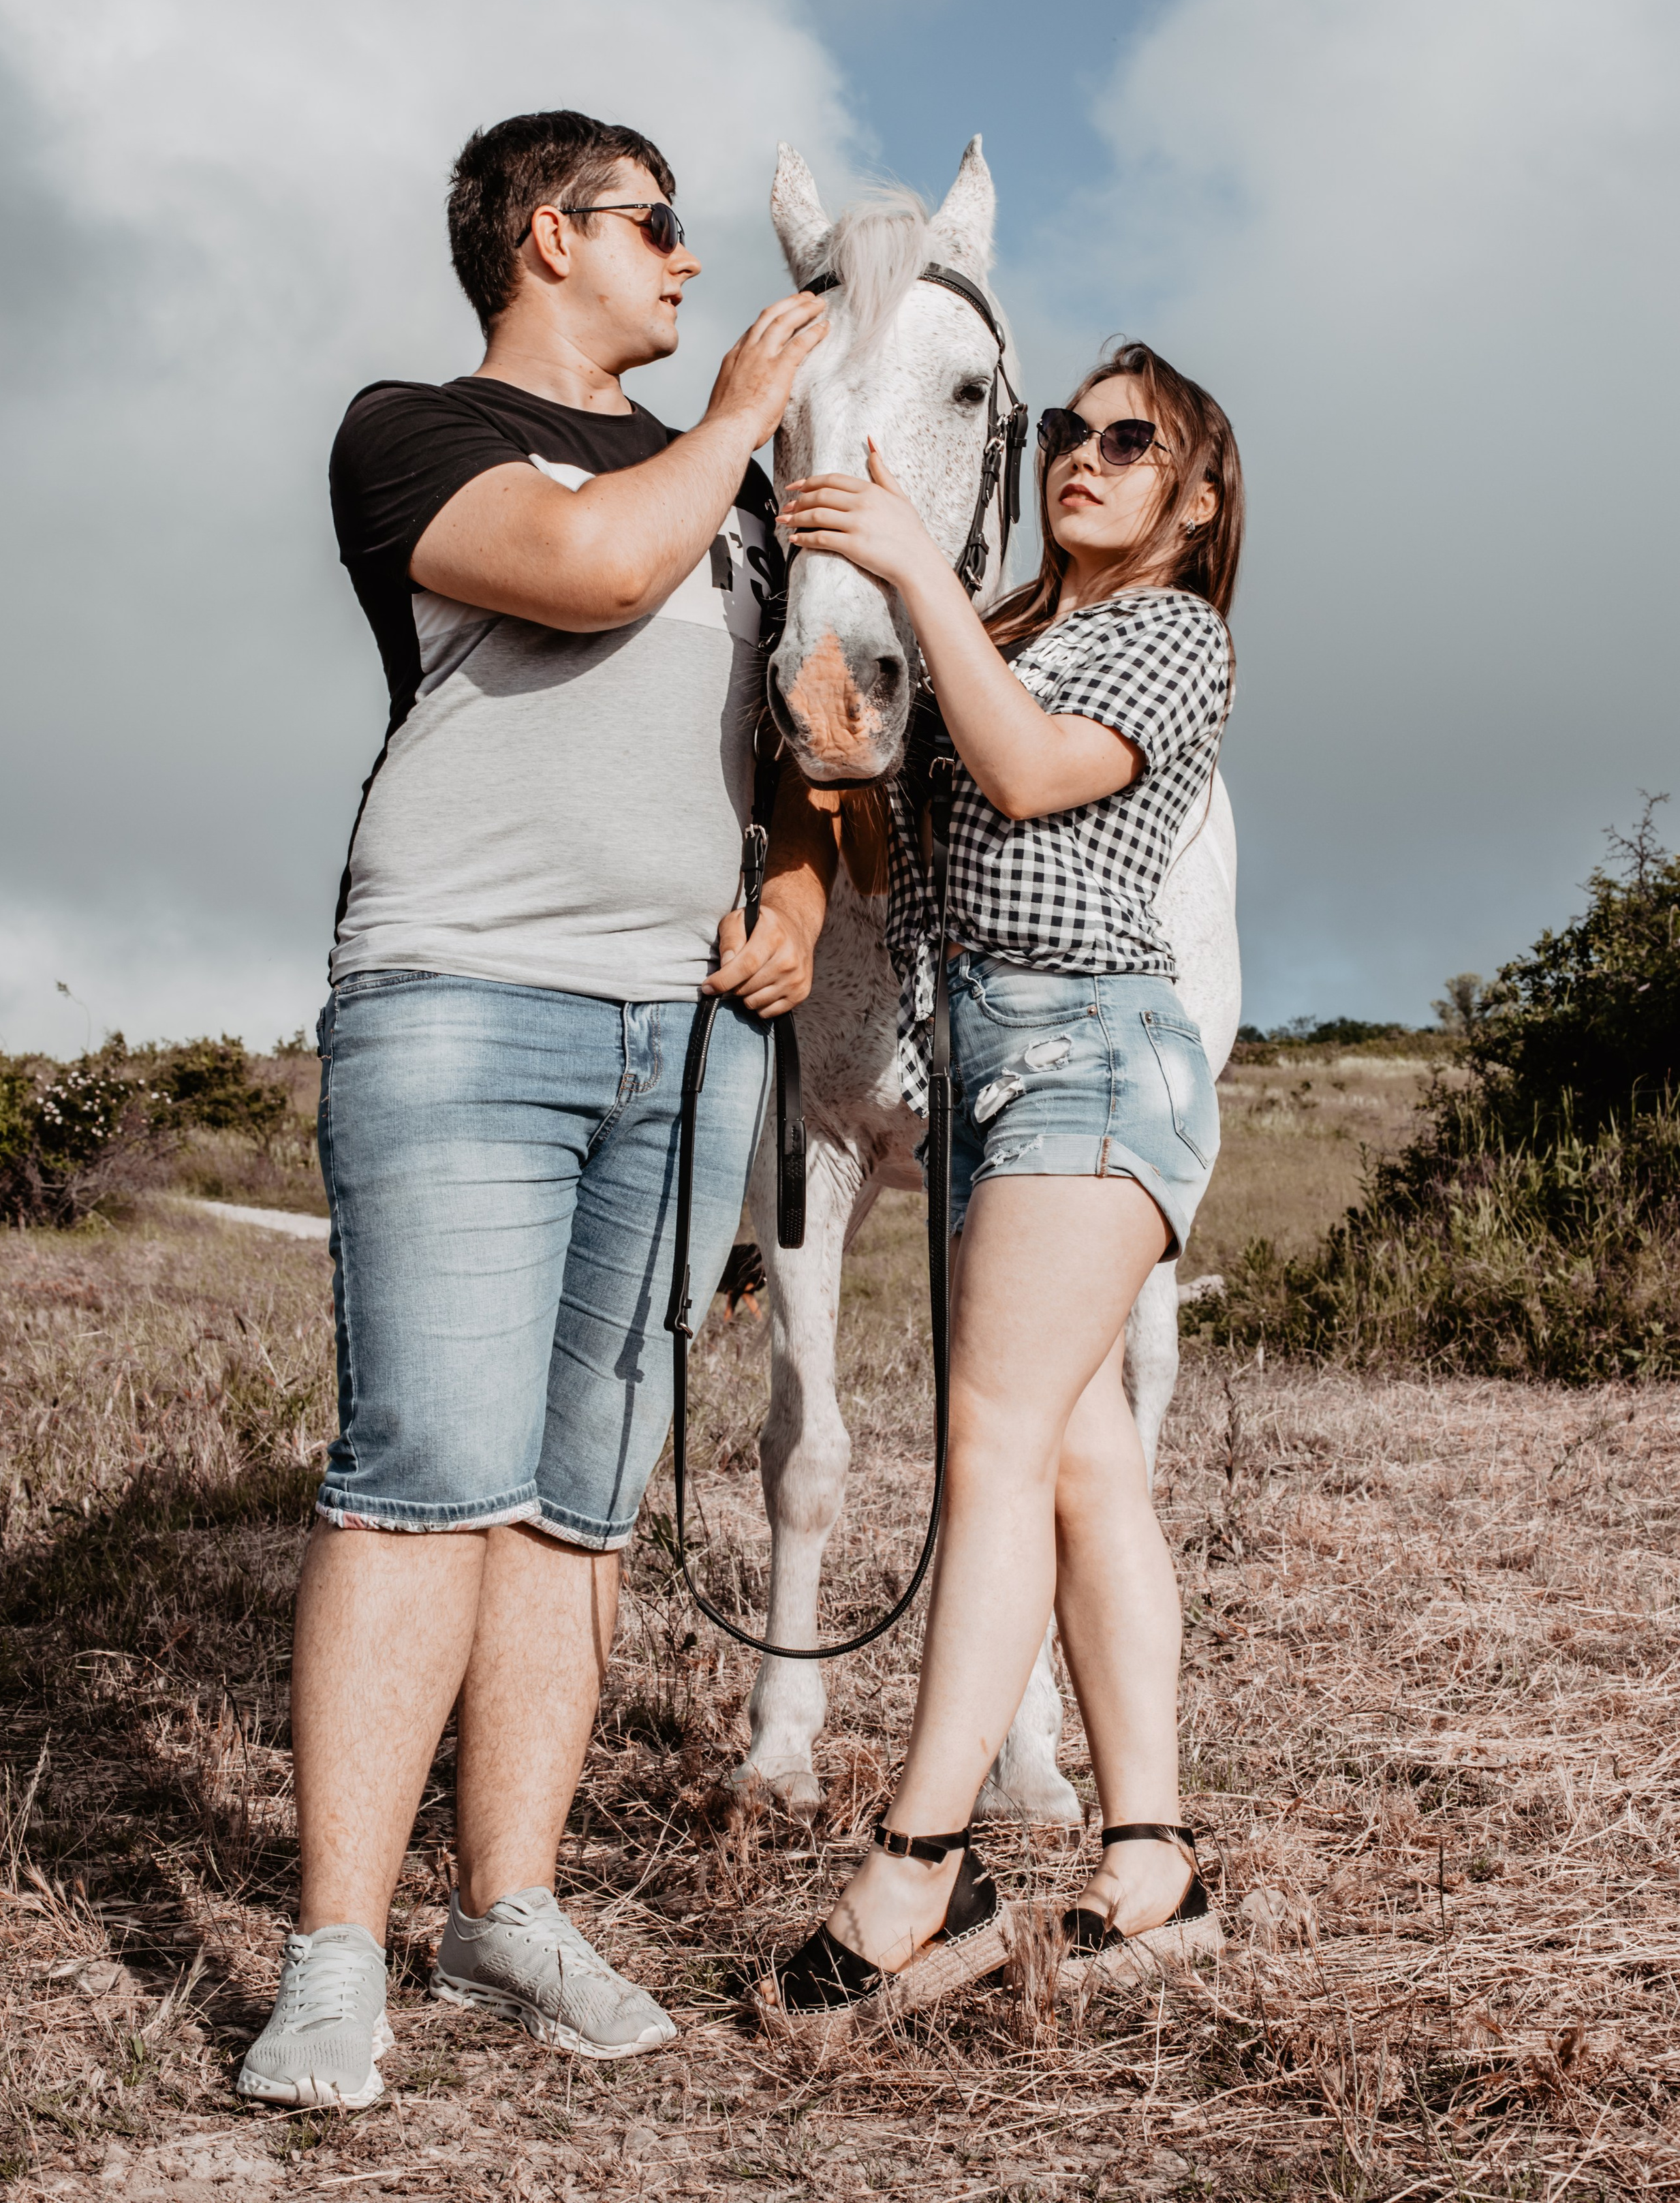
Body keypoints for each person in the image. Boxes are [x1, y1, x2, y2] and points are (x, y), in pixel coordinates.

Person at [239, 110, 834, 2106]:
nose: (692, 265)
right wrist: (749, 410)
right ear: (547, 235)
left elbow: (785, 763)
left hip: (682, 1041)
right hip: (463, 1005)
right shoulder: (418, 430)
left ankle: (507, 1914)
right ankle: (335, 1965)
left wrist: (808, 882)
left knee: (579, 1503)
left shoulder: (727, 506)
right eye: (656, 228)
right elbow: (583, 574)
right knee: (427, 1475)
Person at [761, 340, 1243, 2022]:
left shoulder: (1172, 638)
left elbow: (1034, 774)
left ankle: (919, 1854)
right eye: (1064, 429)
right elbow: (896, 799)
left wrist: (906, 561)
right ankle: (1154, 1851)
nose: (1082, 456)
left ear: (1191, 501)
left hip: (1092, 1061)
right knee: (1084, 1461)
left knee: (992, 1443)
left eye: (1132, 442)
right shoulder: (1019, 628)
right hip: (993, 1080)